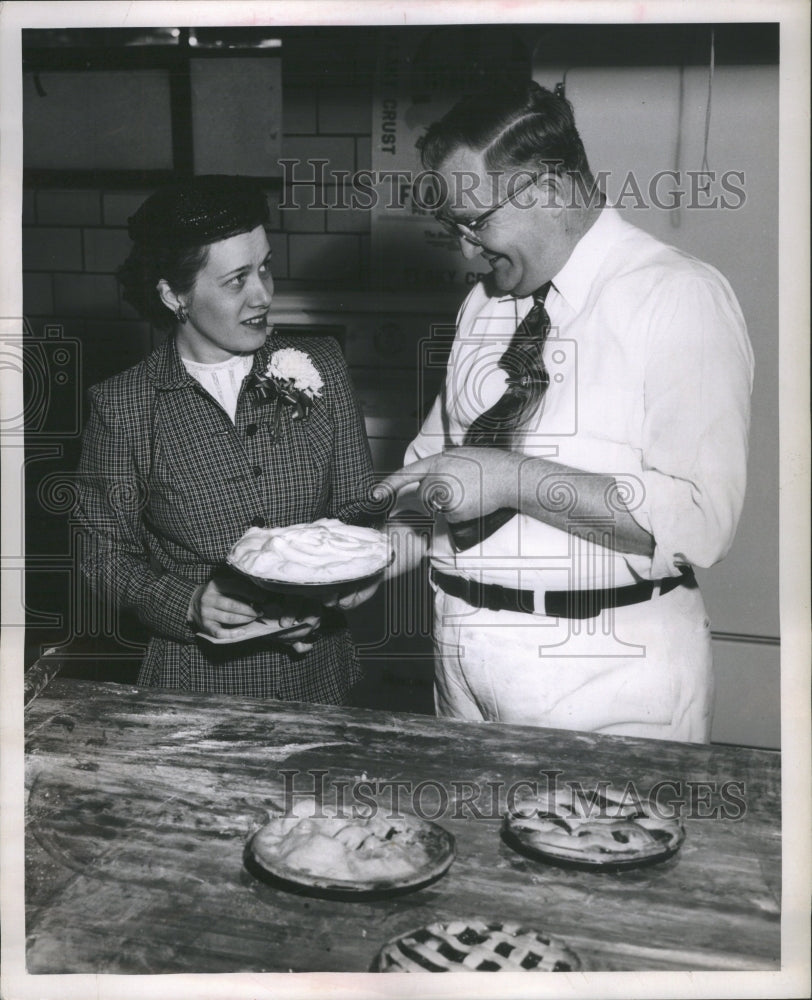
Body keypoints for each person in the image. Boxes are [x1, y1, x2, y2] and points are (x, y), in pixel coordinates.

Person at [381, 83, 753, 742]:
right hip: (461, 659)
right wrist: (370, 557)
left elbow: (701, 520)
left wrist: (515, 480)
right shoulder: (486, 303)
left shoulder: (677, 297)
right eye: (454, 227)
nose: (466, 250)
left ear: (548, 190)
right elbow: (434, 470)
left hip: (607, 667)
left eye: (477, 222)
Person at [75, 174, 379, 701]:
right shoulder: (123, 406)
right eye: (236, 280)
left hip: (321, 679)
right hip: (194, 686)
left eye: (265, 267)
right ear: (174, 295)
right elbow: (98, 555)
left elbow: (357, 508)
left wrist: (336, 588)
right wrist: (187, 604)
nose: (264, 294)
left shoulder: (321, 365)